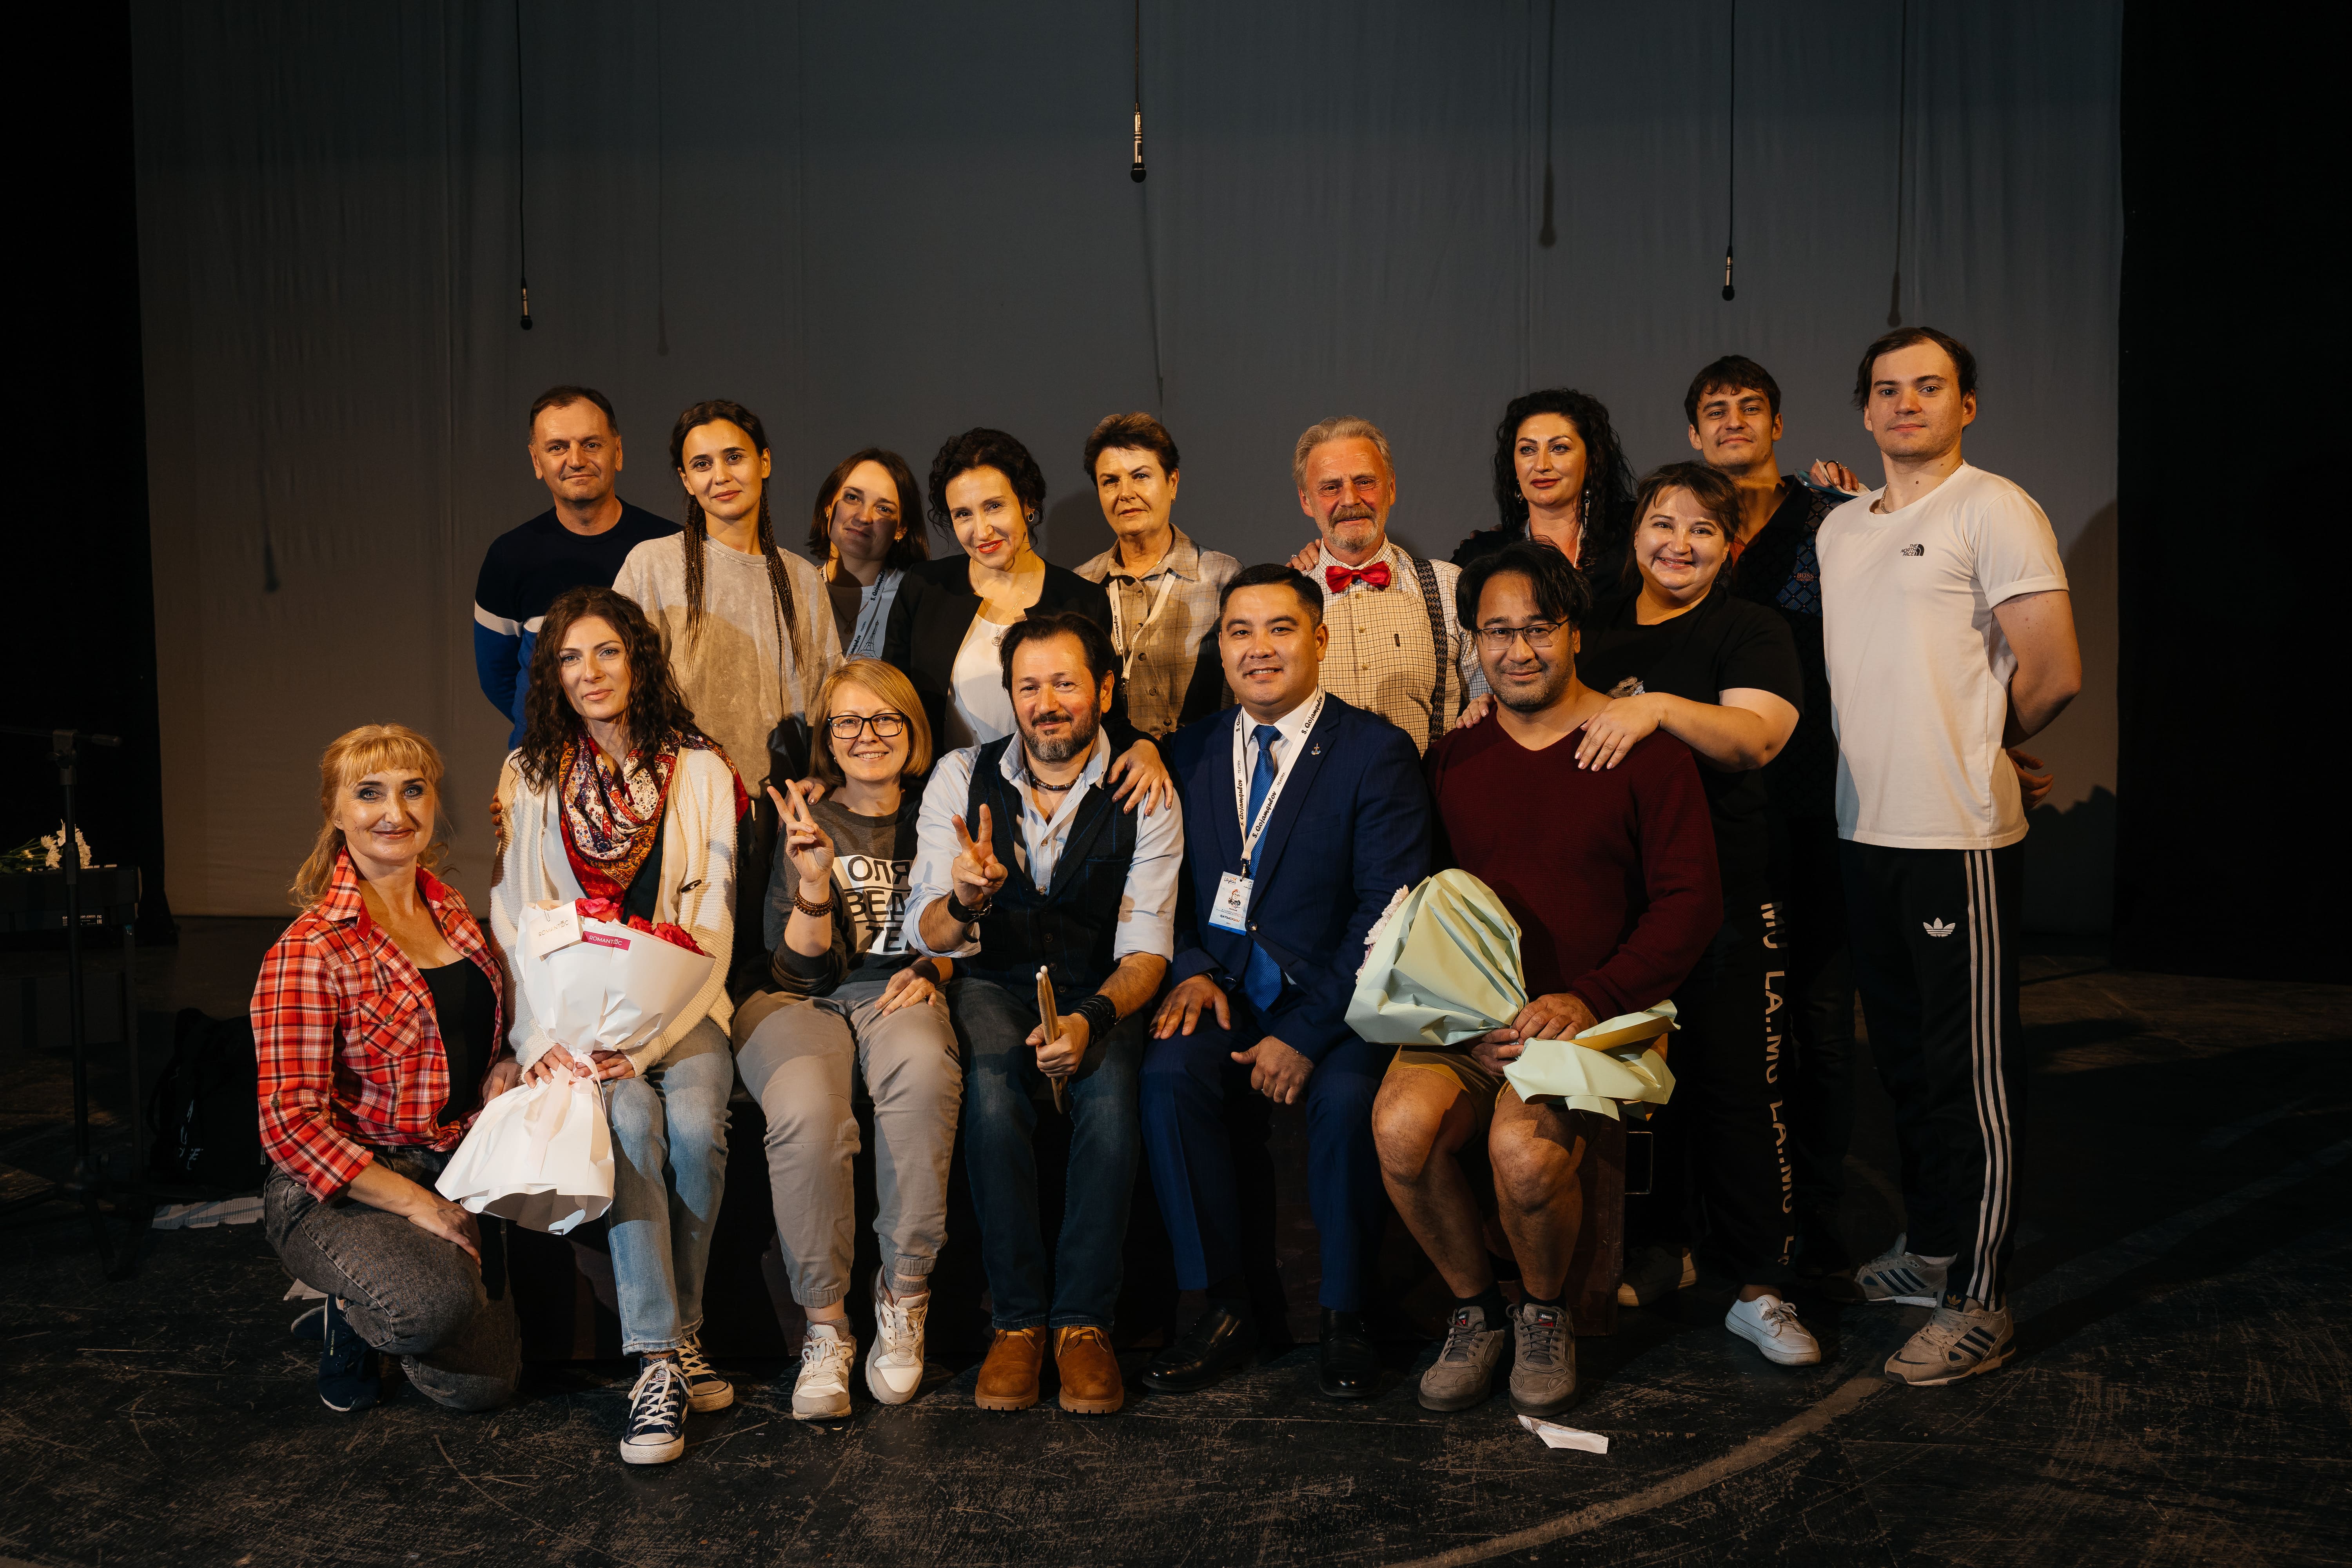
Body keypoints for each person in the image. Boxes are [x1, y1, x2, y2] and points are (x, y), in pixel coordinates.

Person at [1374, 542, 1720, 1418]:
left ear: (1574, 633)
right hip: (1473, 1016)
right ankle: (1476, 1311)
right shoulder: (1454, 758)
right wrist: (1461, 1019)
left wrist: (1591, 997)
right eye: (1498, 632)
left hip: (1597, 1012)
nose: (1518, 650)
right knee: (1401, 1131)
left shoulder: (1644, 754)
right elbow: (1429, 908)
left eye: (1538, 628)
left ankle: (1542, 1311)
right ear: (1474, 644)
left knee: (1523, 1157)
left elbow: (1691, 904)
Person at [1819, 327, 2080, 1386]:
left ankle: (1981, 1297)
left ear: (1965, 404)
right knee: (1905, 1065)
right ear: (1866, 410)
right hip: (1863, 830)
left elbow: (2054, 671)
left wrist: (1983, 742)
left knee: (1971, 1076)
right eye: (1887, 389)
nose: (1906, 403)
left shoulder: (1995, 508)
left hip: (1955, 836)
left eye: (1928, 386)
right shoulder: (1841, 528)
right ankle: (1931, 1252)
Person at [1140, 564, 1432, 1399]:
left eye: (1280, 628)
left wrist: (1305, 1033)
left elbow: (1387, 912)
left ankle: (1346, 1314)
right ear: (1221, 648)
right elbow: (1161, 881)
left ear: (1320, 640)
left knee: (1346, 1098)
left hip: (1339, 1002)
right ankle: (1223, 1306)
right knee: (1167, 1076)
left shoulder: (1375, 750)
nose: (1259, 648)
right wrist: (1193, 968)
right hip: (1226, 989)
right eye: (1240, 631)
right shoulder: (1189, 750)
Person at [1564, 462, 1823, 1367]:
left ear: (1730, 546)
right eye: (1664, 523)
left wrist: (1658, 709)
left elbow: (1757, 738)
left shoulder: (1749, 628)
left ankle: (1761, 1285)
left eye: (1703, 529)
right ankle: (1662, 1248)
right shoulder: (1594, 628)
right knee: (1642, 1093)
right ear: (1635, 531)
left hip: (1727, 897)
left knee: (1738, 1090)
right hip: (1622, 904)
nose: (1679, 543)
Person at [488, 585, 743, 1465]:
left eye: (606, 652)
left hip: (682, 1009)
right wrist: (538, 1041)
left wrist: (647, 1044)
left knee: (698, 1123)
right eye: (569, 657)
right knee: (632, 1119)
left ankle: (683, 1332)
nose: (589, 672)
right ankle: (660, 1359)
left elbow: (713, 923)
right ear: (551, 675)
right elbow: (515, 915)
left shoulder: (700, 769)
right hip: (578, 1019)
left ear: (638, 660)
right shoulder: (530, 775)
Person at [906, 613, 1182, 1416]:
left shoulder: (1144, 788)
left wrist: (1090, 1020)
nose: (1047, 703)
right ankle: (1018, 1322)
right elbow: (928, 933)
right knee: (993, 1096)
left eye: (1065, 682)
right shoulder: (961, 776)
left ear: (1105, 689)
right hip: (993, 979)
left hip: (1100, 983)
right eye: (1029, 686)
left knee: (1111, 1100)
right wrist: (964, 899)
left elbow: (1147, 951)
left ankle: (1084, 1323)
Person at [254, 724, 522, 1417]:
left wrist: (507, 1059)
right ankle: (352, 1308)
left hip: (457, 1161)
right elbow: (289, 1125)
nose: (395, 813)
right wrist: (418, 1205)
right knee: (432, 1309)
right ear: (335, 810)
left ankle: (381, 1295)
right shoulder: (310, 949)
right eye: (369, 794)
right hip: (345, 1185)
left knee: (488, 1387)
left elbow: (476, 1028)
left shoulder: (452, 910)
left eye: (413, 790)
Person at [733, 659, 962, 1421]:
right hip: (798, 997)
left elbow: (974, 924)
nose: (868, 735)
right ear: (828, 737)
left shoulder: (941, 811)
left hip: (898, 990)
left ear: (913, 727)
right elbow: (798, 970)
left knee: (924, 1072)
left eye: (885, 718)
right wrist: (814, 879)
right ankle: (826, 1328)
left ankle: (905, 1293)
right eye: (848, 721)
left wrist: (937, 964)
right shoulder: (805, 815)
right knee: (807, 1109)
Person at [1684, 354, 1867, 1285]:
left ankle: (1818, 1222)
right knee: (1725, 1024)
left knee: (1822, 1025)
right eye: (1715, 410)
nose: (1733, 421)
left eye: (1749, 407)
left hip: (1822, 804)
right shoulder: (1683, 527)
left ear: (1777, 424)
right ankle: (1721, 1222)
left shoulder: (1837, 517)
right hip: (1718, 812)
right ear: (1693, 433)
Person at [613, 399, 844, 982]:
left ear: (764, 462)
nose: (721, 475)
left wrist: (826, 774)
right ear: (685, 480)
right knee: (683, 972)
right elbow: (611, 688)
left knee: (763, 971)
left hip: (776, 812)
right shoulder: (653, 565)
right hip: (680, 810)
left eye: (735, 457)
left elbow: (828, 694)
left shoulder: (801, 578)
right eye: (702, 464)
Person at [885, 427, 1174, 813]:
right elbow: (886, 704)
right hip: (946, 806)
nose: (981, 530)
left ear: (1027, 503)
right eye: (963, 514)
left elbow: (1105, 711)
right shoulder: (924, 588)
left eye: (994, 506)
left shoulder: (1080, 599)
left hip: (1053, 809)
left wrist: (1145, 746)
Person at [473, 386, 679, 748]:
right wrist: (557, 723)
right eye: (557, 448)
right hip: (546, 758)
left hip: (657, 756)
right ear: (537, 462)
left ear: (618, 452)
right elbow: (498, 678)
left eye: (591, 444)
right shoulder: (509, 556)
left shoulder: (673, 548)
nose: (576, 460)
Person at [1283, 416, 1484, 753]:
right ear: (1306, 500)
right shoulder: (1281, 599)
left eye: (1365, 482)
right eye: (1331, 487)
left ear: (1391, 489)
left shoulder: (1450, 586)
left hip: (1423, 785)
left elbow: (1491, 709)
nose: (1350, 500)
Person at [1072, 412, 1240, 737]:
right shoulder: (1082, 585)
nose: (1126, 493)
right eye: (1110, 481)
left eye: (1141, 476)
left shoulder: (1223, 577)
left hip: (1202, 761)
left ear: (1172, 482)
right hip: (1111, 764)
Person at [1450, 388, 1637, 585]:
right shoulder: (1480, 556)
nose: (1541, 466)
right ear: (1514, 467)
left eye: (1559, 448)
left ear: (1591, 463)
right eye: (1527, 450)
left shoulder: (1634, 543)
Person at [809, 448, 928, 662]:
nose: (864, 517)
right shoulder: (795, 591)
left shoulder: (917, 603)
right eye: (852, 498)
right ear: (828, 506)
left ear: (901, 529)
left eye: (884, 509)